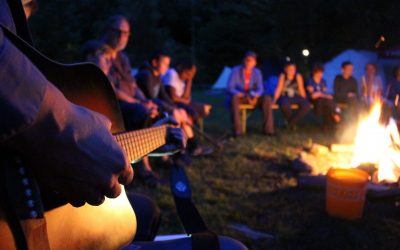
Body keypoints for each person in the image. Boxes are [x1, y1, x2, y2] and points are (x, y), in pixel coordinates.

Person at [0, 2, 246, 249]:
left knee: (146, 210)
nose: (121, 37)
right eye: (117, 31)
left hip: (40, 206)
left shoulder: (123, 59)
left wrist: (152, 130)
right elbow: (108, 90)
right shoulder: (99, 54)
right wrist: (59, 126)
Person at [137, 52, 213, 156]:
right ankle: (184, 149)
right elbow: (151, 99)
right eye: (165, 63)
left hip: (157, 106)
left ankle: (191, 147)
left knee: (181, 112)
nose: (167, 67)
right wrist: (172, 110)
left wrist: (175, 108)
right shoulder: (145, 75)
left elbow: (164, 96)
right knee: (176, 116)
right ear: (155, 62)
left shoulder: (157, 77)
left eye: (168, 64)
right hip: (148, 108)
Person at [227, 51, 274, 137]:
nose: (249, 63)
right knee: (234, 99)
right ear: (243, 61)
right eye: (247, 60)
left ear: (255, 63)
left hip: (253, 96)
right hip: (240, 96)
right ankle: (237, 131)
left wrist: (255, 95)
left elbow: (260, 88)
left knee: (267, 99)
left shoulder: (257, 72)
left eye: (251, 60)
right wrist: (239, 93)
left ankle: (268, 130)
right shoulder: (235, 71)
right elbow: (230, 87)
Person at [273, 62, 310, 129]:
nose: (292, 71)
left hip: (296, 96)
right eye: (290, 69)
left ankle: (290, 123)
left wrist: (304, 99)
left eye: (293, 69)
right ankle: (292, 124)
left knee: (306, 105)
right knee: (283, 104)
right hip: (285, 96)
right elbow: (279, 88)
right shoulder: (283, 76)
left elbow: (301, 89)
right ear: (285, 69)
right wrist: (275, 99)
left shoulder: (298, 76)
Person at [307, 64, 341, 131]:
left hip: (323, 101)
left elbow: (323, 92)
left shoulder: (323, 81)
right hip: (315, 101)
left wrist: (320, 94)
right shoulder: (310, 81)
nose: (320, 74)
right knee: (327, 101)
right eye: (319, 73)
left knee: (328, 104)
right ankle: (337, 113)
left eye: (321, 73)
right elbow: (313, 96)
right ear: (314, 72)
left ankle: (328, 126)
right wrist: (322, 95)